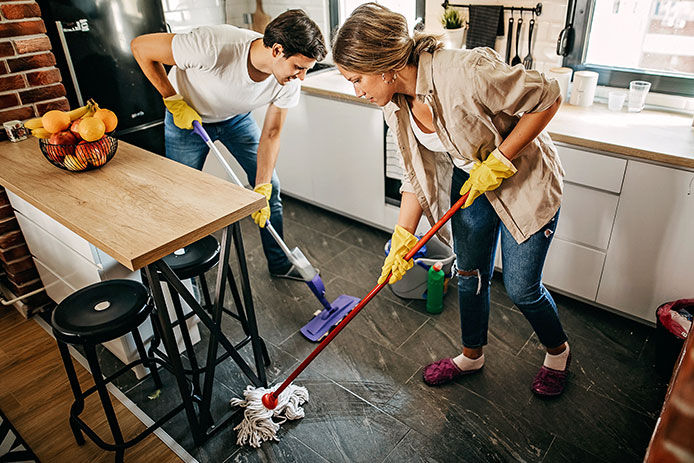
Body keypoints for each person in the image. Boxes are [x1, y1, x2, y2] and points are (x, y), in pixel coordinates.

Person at [332, 3, 571, 396]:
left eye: (357, 79)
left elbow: (548, 96)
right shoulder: (395, 103)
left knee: (521, 288)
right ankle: (472, 355)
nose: (357, 91)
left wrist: (500, 158)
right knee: (469, 276)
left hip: (524, 181)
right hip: (471, 182)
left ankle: (558, 353)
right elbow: (414, 173)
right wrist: (402, 240)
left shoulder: (464, 71)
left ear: (383, 66)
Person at [131, 10, 327, 280]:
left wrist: (262, 186)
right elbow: (140, 47)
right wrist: (171, 99)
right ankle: (185, 276)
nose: (302, 77)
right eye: (298, 68)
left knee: (271, 190)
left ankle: (280, 264)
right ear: (278, 50)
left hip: (236, 119)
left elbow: (272, 133)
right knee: (181, 198)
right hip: (187, 117)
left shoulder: (288, 81)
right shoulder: (213, 45)